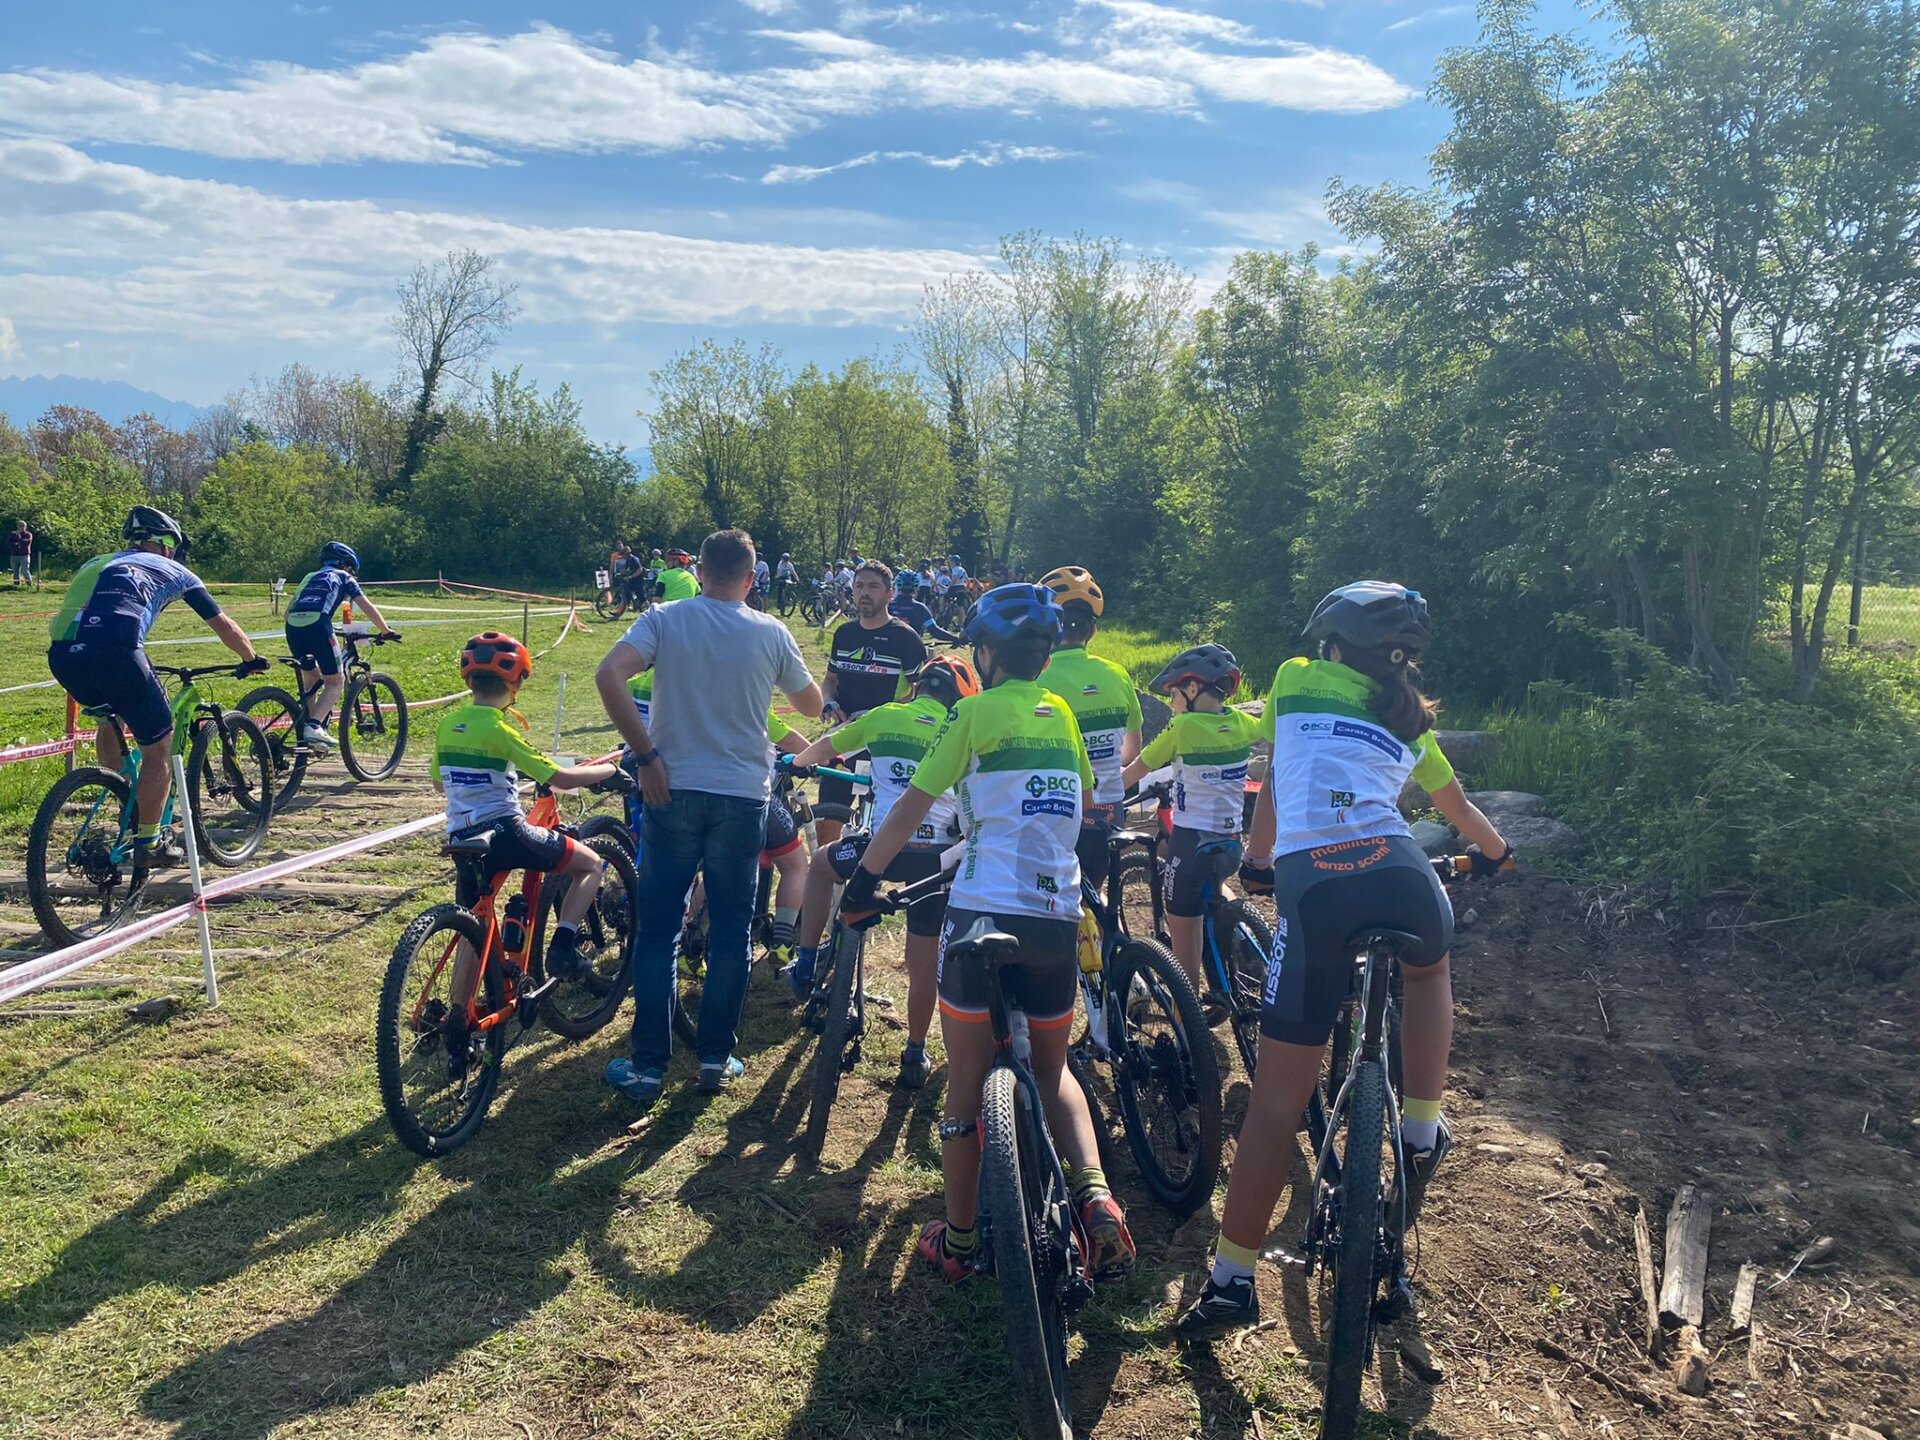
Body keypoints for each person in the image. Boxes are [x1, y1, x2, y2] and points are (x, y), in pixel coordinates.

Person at [1176, 582, 1515, 1340]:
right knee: (1429, 969)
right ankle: (1423, 1125)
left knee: (1273, 1106)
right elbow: (1460, 812)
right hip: (1404, 876)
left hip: (1318, 890)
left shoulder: (1296, 681)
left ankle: (1232, 1282)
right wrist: (1497, 855)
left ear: (1331, 644)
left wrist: (1259, 861)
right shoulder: (1406, 721)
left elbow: (1280, 775)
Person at [838, 583, 1136, 1284]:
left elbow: (913, 807)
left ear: (989, 654)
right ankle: (1097, 1198)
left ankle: (963, 1242)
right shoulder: (1061, 712)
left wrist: (862, 883)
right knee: (1054, 1069)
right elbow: (1085, 799)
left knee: (966, 1085)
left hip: (981, 911)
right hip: (1056, 916)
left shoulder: (971, 713)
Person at [595, 529, 822, 1107]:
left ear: (698, 571)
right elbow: (811, 706)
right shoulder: (772, 631)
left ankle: (649, 1064)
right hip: (742, 796)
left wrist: (645, 755)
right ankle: (717, 1058)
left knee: (659, 931)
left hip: (670, 788)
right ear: (752, 579)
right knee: (728, 933)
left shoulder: (665, 618)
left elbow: (607, 674)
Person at [780, 653, 979, 1088]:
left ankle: (806, 962)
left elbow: (828, 746)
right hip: (936, 861)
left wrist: (794, 765)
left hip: (882, 849)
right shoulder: (963, 728)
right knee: (922, 962)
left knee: (820, 865)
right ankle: (915, 1050)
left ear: (917, 687)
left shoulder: (886, 716)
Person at [46, 506, 265, 877]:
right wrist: (251, 657)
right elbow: (222, 624)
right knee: (158, 747)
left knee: (109, 719)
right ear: (167, 545)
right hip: (117, 649)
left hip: (64, 654)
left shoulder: (96, 561)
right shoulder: (178, 570)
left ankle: (120, 790)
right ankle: (149, 841)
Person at [433, 632, 619, 983]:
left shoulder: (447, 725)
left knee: (474, 928)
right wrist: (611, 769)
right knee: (591, 865)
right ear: (516, 682)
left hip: (461, 835)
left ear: (469, 681)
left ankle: (461, 1015)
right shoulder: (501, 729)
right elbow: (562, 779)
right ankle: (563, 948)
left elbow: (439, 783)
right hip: (506, 832)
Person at [1120, 644, 1261, 988]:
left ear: (1193, 689)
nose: (1171, 703)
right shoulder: (1242, 722)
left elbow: (1137, 769)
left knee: (1183, 943)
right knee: (1212, 895)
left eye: (1173, 694)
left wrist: (1100, 797)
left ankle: (1189, 1022)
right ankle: (1243, 952)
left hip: (1190, 844)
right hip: (1231, 846)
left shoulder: (1182, 727)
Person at [1037, 566, 1141, 893]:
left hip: (1056, 812)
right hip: (1110, 810)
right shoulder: (1118, 674)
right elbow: (1132, 751)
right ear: (1092, 632)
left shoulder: (1036, 678)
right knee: (1094, 896)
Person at [816, 562, 929, 853]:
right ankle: (830, 889)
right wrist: (828, 700)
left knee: (882, 823)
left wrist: (886, 715)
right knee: (828, 819)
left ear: (890, 594)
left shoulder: (905, 637)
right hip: (844, 739)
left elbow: (922, 695)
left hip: (886, 744)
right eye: (859, 586)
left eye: (873, 587)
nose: (864, 593)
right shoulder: (845, 634)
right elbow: (829, 680)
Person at [283, 543, 398, 747]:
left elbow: (288, 611)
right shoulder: (345, 577)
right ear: (346, 564)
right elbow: (366, 606)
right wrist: (385, 631)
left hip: (292, 626)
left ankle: (308, 731)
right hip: (319, 625)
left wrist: (345, 628)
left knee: (310, 675)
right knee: (336, 681)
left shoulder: (309, 576)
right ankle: (315, 726)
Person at [888, 570, 961, 644]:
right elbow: (934, 631)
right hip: (912, 649)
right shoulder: (920, 608)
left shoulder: (888, 605)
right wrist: (954, 639)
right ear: (916, 586)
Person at [10, 520, 32, 588]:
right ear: (17, 526)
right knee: (15, 571)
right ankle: (16, 585)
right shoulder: (13, 534)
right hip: (14, 555)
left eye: (23, 526)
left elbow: (26, 542)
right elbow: (8, 542)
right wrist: (15, 544)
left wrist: (18, 537)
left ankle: (29, 585)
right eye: (19, 525)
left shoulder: (28, 534)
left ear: (25, 527)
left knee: (25, 571)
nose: (21, 527)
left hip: (24, 555)